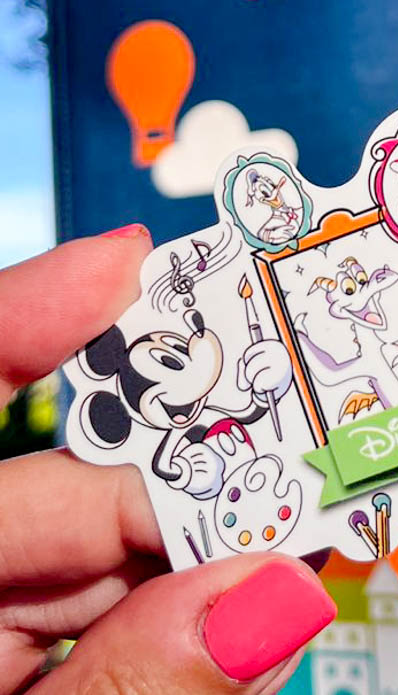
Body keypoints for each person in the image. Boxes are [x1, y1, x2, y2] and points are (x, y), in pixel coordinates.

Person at [0, 224, 336, 694]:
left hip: (278, 495)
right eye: (175, 360)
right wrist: (196, 473)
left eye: (175, 350)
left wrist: (269, 375)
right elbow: (178, 475)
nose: (193, 350)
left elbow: (252, 408)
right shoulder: (170, 454)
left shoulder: (216, 406)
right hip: (234, 526)